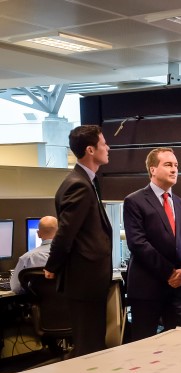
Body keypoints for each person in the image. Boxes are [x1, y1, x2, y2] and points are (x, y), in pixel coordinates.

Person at [44, 125, 112, 358]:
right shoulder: (78, 184)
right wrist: (52, 266)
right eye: (104, 144)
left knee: (94, 345)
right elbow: (65, 233)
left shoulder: (88, 181)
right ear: (91, 150)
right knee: (88, 348)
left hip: (91, 279)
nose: (108, 148)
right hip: (84, 279)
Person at [122, 148, 181, 341]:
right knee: (143, 345)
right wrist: (170, 272)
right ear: (153, 169)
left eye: (176, 166)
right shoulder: (134, 201)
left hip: (178, 289)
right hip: (148, 288)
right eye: (168, 165)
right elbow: (138, 244)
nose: (174, 170)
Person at [10, 216, 57, 294]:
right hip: (67, 304)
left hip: (39, 304)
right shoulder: (71, 256)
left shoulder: (26, 258)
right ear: (59, 233)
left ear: (38, 234)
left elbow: (15, 288)